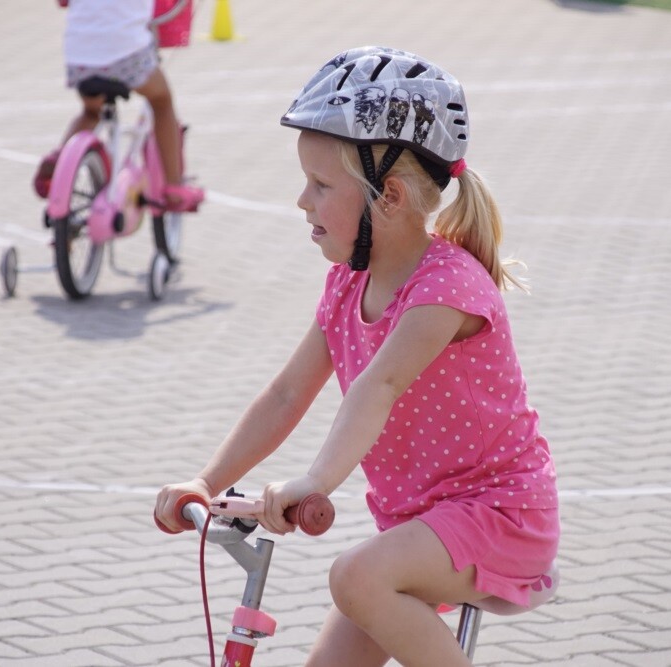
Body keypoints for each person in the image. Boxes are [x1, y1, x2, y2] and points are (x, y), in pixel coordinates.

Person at [155, 46, 558, 666]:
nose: (302, 201)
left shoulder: (446, 291)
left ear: (388, 197)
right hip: (417, 525)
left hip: (499, 513)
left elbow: (381, 384)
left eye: (320, 185)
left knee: (355, 577)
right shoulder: (348, 282)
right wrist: (207, 482)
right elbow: (289, 393)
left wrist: (316, 480)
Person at [33, 0, 204, 212]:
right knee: (161, 102)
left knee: (91, 111)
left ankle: (60, 161)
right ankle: (175, 188)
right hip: (126, 54)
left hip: (80, 55)